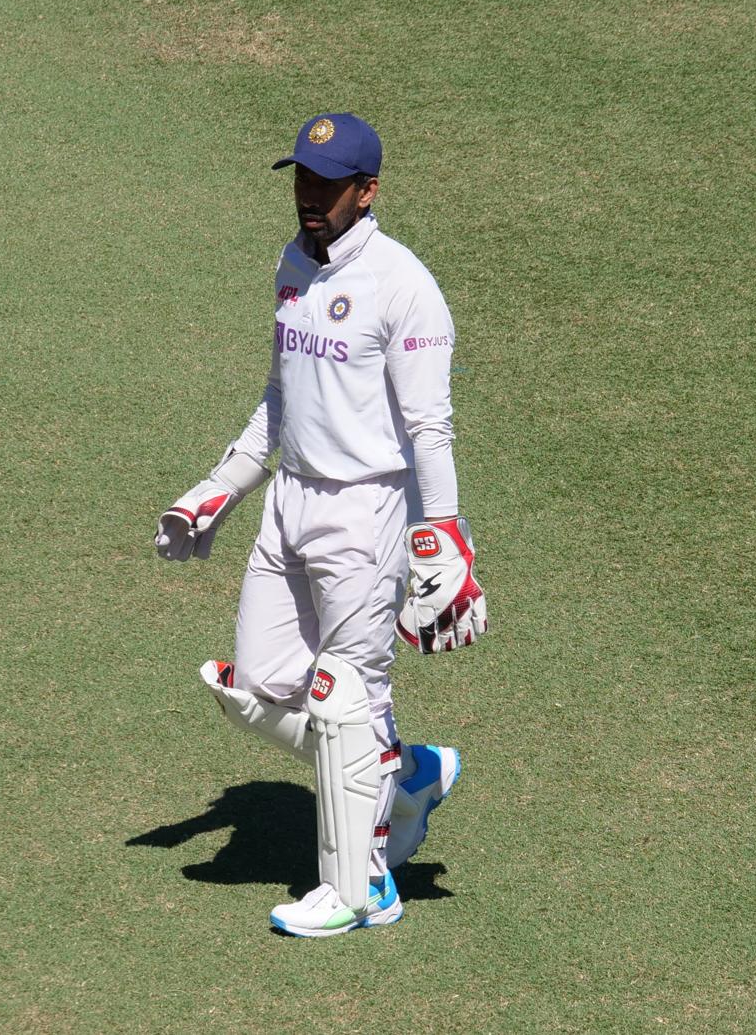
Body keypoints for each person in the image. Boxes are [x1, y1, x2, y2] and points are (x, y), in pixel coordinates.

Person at [154, 112, 487, 937]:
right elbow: (281, 395)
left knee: (345, 703)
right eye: (303, 179)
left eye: (328, 185)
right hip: (291, 502)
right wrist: (219, 486)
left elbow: (430, 427)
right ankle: (403, 774)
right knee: (249, 689)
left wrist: (441, 536)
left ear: (367, 192)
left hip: (365, 511)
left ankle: (363, 889)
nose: (310, 197)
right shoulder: (294, 263)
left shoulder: (406, 286)